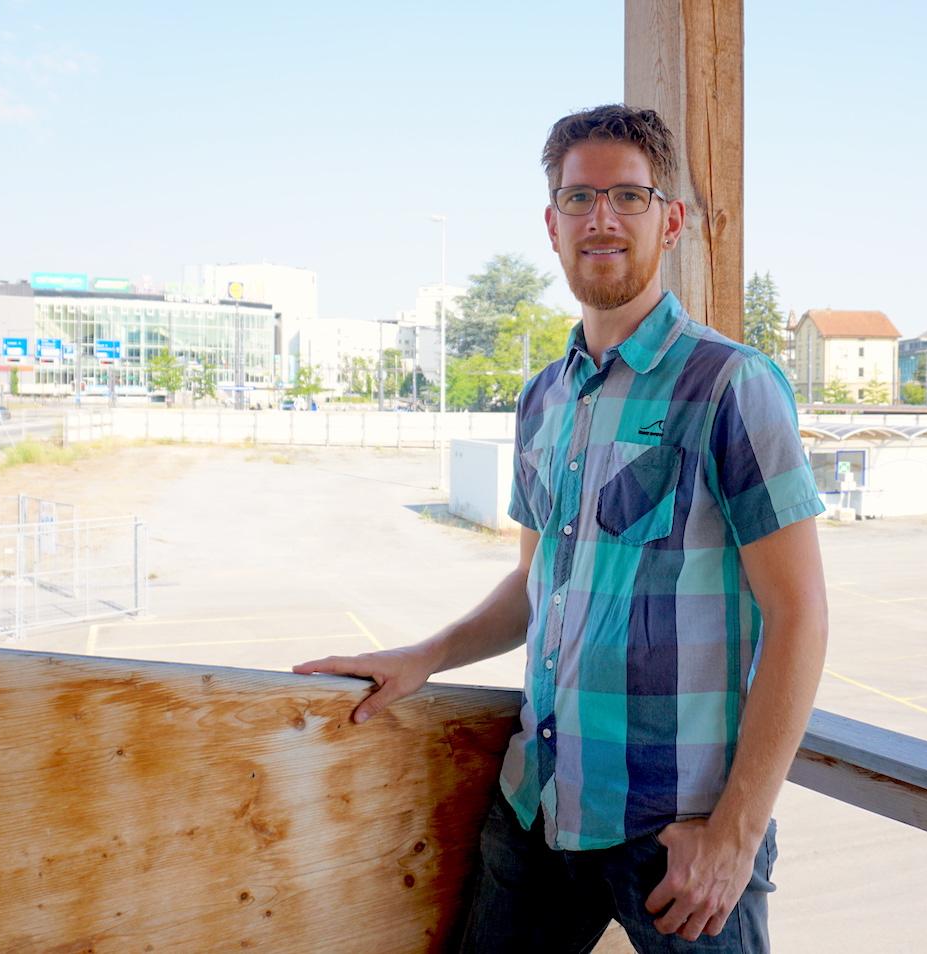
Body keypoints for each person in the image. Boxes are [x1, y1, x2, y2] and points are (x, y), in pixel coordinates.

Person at [295, 104, 827, 953]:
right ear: (552, 224)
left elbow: (800, 616)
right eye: (579, 199)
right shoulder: (545, 397)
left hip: (676, 837)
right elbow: (534, 585)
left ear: (672, 220)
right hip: (540, 807)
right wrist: (423, 657)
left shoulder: (732, 386)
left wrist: (733, 836)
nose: (602, 219)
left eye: (628, 196)